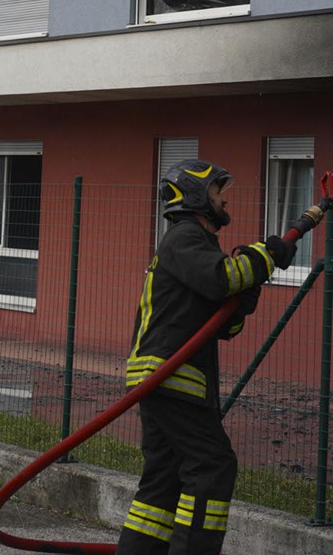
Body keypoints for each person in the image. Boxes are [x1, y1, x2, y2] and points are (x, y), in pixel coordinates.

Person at [116, 160, 297, 555]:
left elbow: (220, 327)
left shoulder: (195, 246)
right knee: (212, 467)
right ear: (197, 196)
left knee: (163, 479)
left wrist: (241, 304)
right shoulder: (184, 237)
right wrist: (265, 255)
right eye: (217, 191)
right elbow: (221, 278)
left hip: (165, 377)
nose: (224, 197)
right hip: (171, 376)